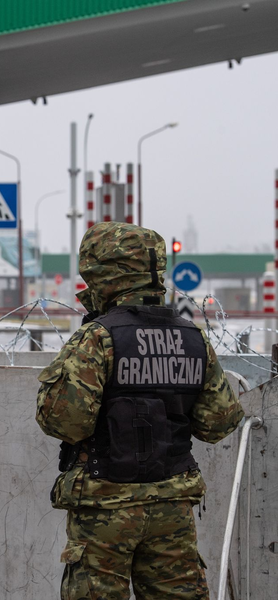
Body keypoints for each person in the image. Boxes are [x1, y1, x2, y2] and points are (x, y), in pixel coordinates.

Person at [36, 222, 244, 600]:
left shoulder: (98, 337)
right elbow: (219, 423)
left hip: (105, 503)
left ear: (103, 275)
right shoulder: (192, 337)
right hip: (172, 506)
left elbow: (65, 422)